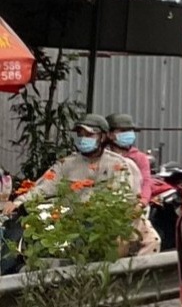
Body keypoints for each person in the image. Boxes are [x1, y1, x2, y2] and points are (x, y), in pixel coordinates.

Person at [2, 115, 144, 271]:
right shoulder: (67, 164)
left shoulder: (118, 165)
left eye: (89, 135)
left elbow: (123, 200)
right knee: (19, 225)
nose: (83, 139)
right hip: (66, 221)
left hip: (99, 225)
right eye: (80, 135)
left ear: (103, 137)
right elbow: (43, 187)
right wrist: (17, 203)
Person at [105, 112, 156, 205]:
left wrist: (142, 202)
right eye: (123, 130)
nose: (128, 134)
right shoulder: (103, 156)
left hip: (133, 205)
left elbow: (146, 182)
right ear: (109, 134)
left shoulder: (140, 158)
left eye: (130, 130)